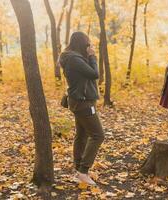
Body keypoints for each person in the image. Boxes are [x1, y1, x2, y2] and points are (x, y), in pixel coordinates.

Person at [59, 32, 104, 185]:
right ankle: (83, 171)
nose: (89, 47)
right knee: (98, 135)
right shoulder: (74, 59)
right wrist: (92, 56)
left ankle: (79, 170)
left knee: (82, 135)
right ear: (81, 44)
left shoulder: (72, 57)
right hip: (83, 103)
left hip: (79, 101)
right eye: (87, 44)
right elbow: (94, 74)